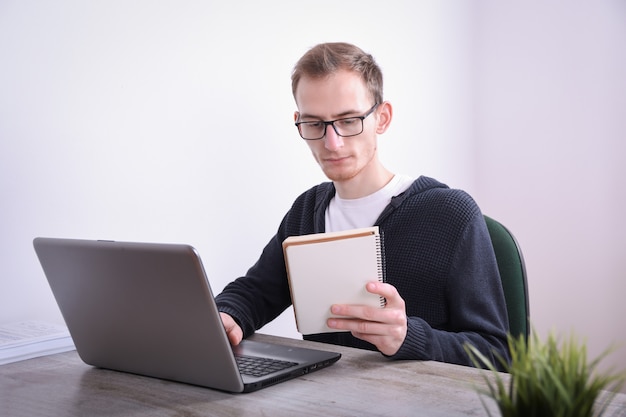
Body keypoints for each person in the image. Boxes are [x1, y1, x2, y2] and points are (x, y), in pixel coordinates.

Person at [215, 42, 511, 369]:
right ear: (298, 121)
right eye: (315, 124)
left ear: (381, 118)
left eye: (349, 120)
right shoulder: (306, 211)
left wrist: (409, 337)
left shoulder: (449, 213)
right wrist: (228, 315)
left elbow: (497, 354)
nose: (332, 143)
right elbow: (256, 291)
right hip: (326, 401)